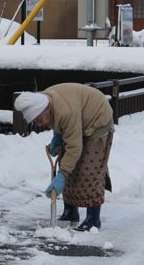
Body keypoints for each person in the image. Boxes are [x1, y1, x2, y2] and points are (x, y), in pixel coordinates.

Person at [14, 83, 115, 231]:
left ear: (46, 109)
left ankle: (93, 219)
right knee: (66, 163)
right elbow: (60, 121)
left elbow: (74, 147)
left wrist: (61, 175)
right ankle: (70, 212)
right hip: (78, 119)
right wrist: (57, 137)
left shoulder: (66, 111)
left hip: (97, 120)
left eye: (39, 119)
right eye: (35, 122)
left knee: (88, 169)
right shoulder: (44, 101)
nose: (39, 124)